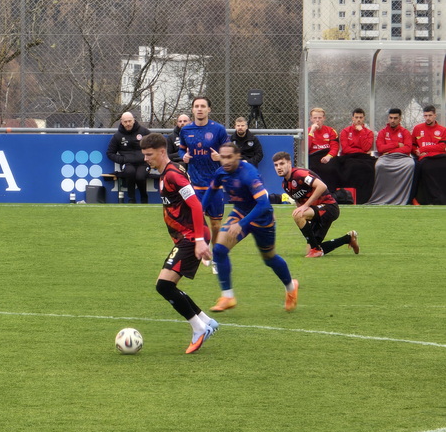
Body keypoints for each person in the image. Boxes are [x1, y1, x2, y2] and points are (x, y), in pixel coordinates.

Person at [140, 133, 219, 354]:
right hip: (187, 237)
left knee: (163, 286)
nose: (145, 159)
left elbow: (195, 205)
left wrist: (200, 241)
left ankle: (198, 328)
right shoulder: (167, 173)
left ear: (162, 151)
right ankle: (206, 321)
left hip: (191, 237)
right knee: (168, 286)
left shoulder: (173, 175)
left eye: (149, 154)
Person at [202, 143, 298, 313]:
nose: (225, 161)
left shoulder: (249, 174)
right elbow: (212, 190)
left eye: (229, 157)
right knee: (219, 250)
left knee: (269, 258)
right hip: (240, 212)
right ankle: (228, 296)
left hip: (262, 217)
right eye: (222, 157)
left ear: (238, 156)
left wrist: (241, 224)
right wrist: (200, 209)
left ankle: (291, 288)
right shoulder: (222, 171)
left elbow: (263, 204)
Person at [273, 151, 360, 257]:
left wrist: (305, 207)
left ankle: (316, 249)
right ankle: (348, 238)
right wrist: (305, 218)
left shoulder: (300, 174)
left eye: (282, 164)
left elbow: (322, 186)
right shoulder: (285, 185)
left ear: (289, 163)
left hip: (329, 207)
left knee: (297, 215)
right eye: (276, 165)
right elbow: (298, 200)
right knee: (311, 249)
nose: (278, 167)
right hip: (315, 212)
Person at [179, 97, 229, 243]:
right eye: (196, 106)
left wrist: (220, 157)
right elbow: (181, 150)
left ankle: (216, 256)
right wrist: (184, 156)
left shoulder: (218, 129)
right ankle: (199, 251)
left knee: (215, 224)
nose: (199, 109)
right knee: (196, 223)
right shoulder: (186, 130)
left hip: (214, 185)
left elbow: (230, 152)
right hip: (195, 185)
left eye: (203, 106)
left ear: (209, 109)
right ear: (193, 109)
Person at [367, 108, 415, 205]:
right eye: (391, 118)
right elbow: (380, 149)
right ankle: (381, 196)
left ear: (400, 119)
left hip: (402, 158)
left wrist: (389, 150)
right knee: (379, 166)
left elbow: (408, 149)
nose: (392, 120)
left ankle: (404, 198)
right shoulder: (382, 132)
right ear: (388, 118)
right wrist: (397, 144)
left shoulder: (405, 132)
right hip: (385, 158)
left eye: (395, 118)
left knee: (411, 165)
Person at [107, 112, 150, 203]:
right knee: (130, 172)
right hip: (127, 163)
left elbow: (154, 147)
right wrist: (122, 160)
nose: (128, 124)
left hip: (143, 162)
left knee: (140, 176)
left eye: (129, 121)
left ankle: (144, 198)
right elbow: (110, 153)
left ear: (134, 120)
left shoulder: (144, 132)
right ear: (121, 122)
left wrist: (148, 158)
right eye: (125, 121)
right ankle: (131, 198)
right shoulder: (117, 136)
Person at [336, 108, 376, 204]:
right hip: (349, 157)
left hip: (364, 158)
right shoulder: (345, 131)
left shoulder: (368, 133)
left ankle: (365, 198)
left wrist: (361, 132)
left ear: (364, 119)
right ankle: (349, 196)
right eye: (356, 117)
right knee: (351, 167)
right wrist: (360, 150)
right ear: (352, 118)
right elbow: (345, 149)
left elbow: (366, 147)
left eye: (360, 117)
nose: (358, 119)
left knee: (369, 168)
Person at [412, 105, 446, 205]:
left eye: (430, 115)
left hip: (440, 157)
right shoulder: (417, 128)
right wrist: (417, 151)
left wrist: (423, 148)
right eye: (425, 115)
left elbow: (442, 147)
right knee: (425, 168)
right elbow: (413, 146)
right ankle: (421, 199)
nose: (427, 118)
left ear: (435, 115)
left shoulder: (443, 130)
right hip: (425, 158)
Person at [306, 107, 340, 193]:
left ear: (324, 118)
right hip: (312, 156)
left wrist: (329, 156)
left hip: (326, 155)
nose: (317, 120)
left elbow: (335, 147)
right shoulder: (307, 131)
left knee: (331, 168)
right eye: (315, 118)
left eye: (320, 118)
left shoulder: (331, 131)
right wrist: (311, 132)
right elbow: (305, 148)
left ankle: (330, 193)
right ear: (311, 119)